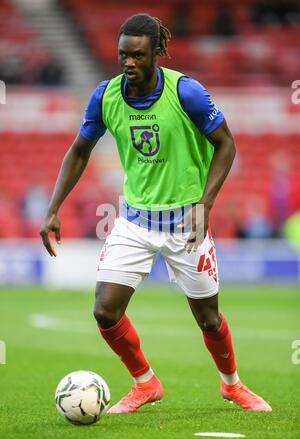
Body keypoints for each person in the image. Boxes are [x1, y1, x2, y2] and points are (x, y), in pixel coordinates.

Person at [40, 13, 271, 414]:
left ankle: (232, 385)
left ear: (157, 54)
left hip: (186, 223)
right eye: (122, 55)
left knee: (209, 319)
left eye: (137, 56)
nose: (128, 63)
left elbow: (226, 145)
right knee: (104, 309)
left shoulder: (187, 93)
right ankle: (145, 383)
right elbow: (80, 149)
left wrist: (205, 204)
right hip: (134, 221)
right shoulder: (106, 96)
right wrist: (53, 208)